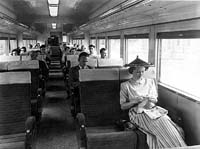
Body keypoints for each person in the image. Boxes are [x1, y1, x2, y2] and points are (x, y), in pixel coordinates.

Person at [120, 56, 187, 149]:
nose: (140, 74)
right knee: (159, 127)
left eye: (143, 72)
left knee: (171, 126)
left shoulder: (150, 82)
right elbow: (123, 106)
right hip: (137, 113)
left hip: (153, 110)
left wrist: (149, 99)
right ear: (132, 72)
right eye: (138, 72)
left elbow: (155, 100)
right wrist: (134, 101)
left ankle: (181, 147)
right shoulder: (125, 85)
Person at [69, 52, 93, 117]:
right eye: (83, 61)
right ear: (78, 60)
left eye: (86, 61)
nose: (84, 63)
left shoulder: (91, 69)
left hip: (90, 91)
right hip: (78, 91)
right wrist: (81, 83)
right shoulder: (73, 70)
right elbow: (71, 84)